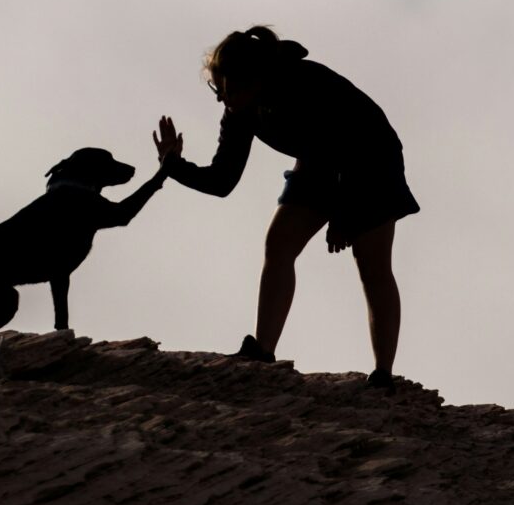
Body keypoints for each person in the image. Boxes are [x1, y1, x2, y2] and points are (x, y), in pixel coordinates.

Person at [153, 26, 417, 387]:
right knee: (278, 246)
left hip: (370, 159)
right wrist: (172, 165)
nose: (221, 100)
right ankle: (262, 352)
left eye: (226, 90)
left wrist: (344, 218)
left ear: (252, 78)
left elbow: (346, 146)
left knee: (371, 263)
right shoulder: (241, 110)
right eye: (217, 90)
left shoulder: (305, 84)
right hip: (317, 162)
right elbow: (222, 180)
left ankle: (384, 374)